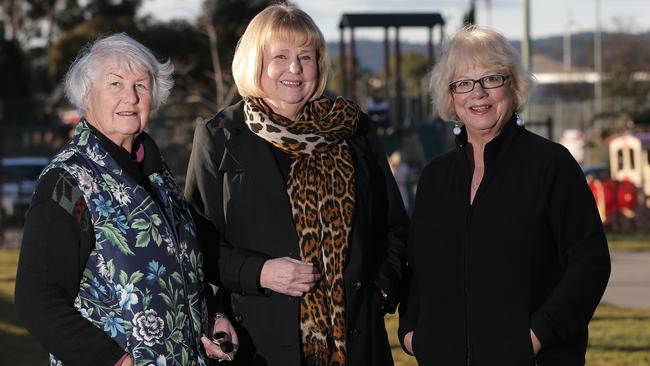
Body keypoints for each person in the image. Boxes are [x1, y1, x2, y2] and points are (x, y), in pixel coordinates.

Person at [184, 4, 409, 366]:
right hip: (260, 344)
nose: (295, 67)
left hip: (357, 344)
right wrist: (259, 272)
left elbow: (394, 226)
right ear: (256, 62)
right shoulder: (219, 136)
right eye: (280, 56)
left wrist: (379, 291)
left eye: (307, 55)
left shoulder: (353, 130)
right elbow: (195, 241)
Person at [15, 33, 237, 366]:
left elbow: (178, 269)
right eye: (116, 84)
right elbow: (37, 298)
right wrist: (112, 360)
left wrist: (213, 317)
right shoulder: (67, 182)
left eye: (141, 86)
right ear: (87, 94)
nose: (130, 98)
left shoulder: (157, 174)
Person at [398, 25, 610, 365]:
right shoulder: (435, 177)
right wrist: (412, 334)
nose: (478, 93)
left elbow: (590, 264)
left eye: (492, 79)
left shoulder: (551, 165)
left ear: (512, 86)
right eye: (464, 83)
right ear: (450, 96)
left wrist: (536, 337)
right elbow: (418, 270)